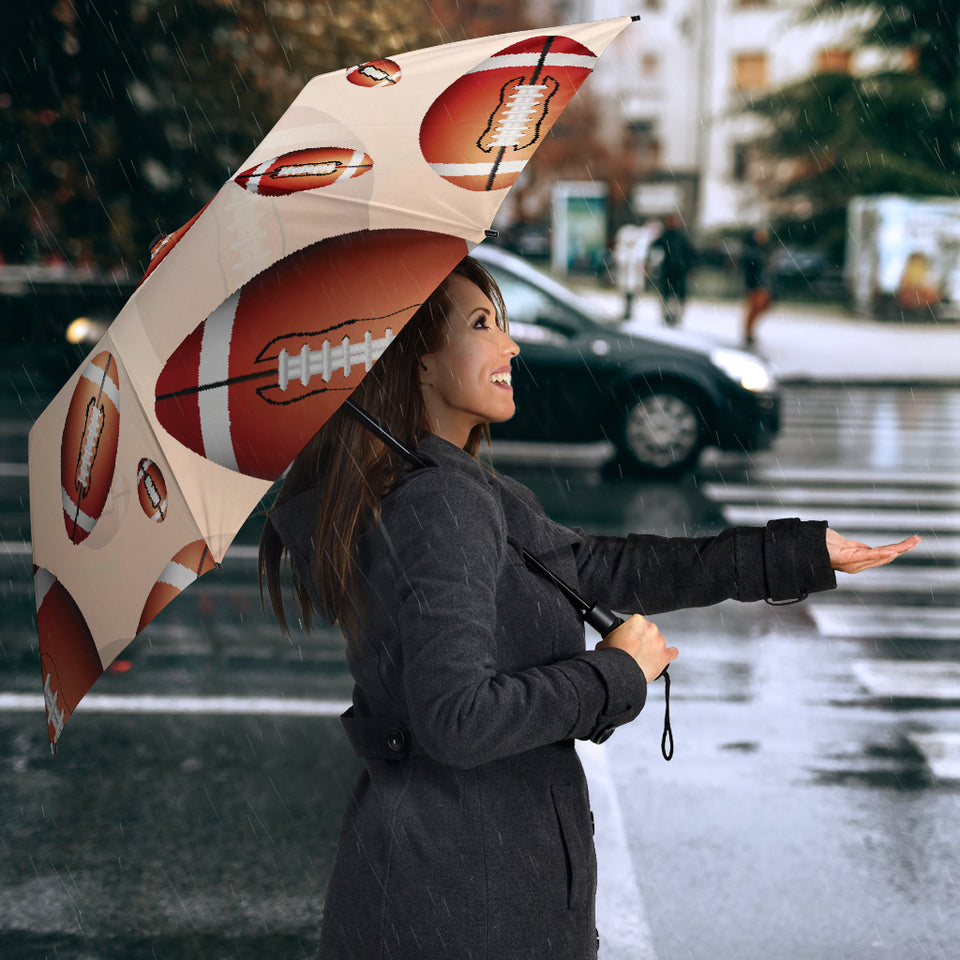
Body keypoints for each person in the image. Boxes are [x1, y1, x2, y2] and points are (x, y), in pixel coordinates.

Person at [259, 256, 919, 960]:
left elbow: (604, 567)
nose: (510, 345)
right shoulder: (439, 504)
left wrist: (796, 554)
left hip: (453, 883)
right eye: (482, 325)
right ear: (417, 363)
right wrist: (613, 673)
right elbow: (456, 720)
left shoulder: (451, 489)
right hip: (466, 903)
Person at [648, 213, 695, 327]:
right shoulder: (665, 236)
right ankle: (667, 315)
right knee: (667, 294)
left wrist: (690, 267)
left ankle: (675, 316)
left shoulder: (681, 237)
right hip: (668, 270)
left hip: (679, 271)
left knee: (677, 295)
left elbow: (690, 253)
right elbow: (654, 249)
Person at [741, 226, 773, 347]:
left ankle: (750, 331)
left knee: (762, 306)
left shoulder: (763, 249)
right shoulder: (751, 250)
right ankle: (748, 333)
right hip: (755, 284)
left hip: (763, 283)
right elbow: (750, 265)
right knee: (754, 308)